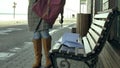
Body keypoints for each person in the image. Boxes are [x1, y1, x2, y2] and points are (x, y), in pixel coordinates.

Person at [28, 0, 65, 68]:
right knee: (36, 35)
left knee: (44, 33)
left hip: (44, 7)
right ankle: (38, 60)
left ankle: (48, 59)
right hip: (34, 8)